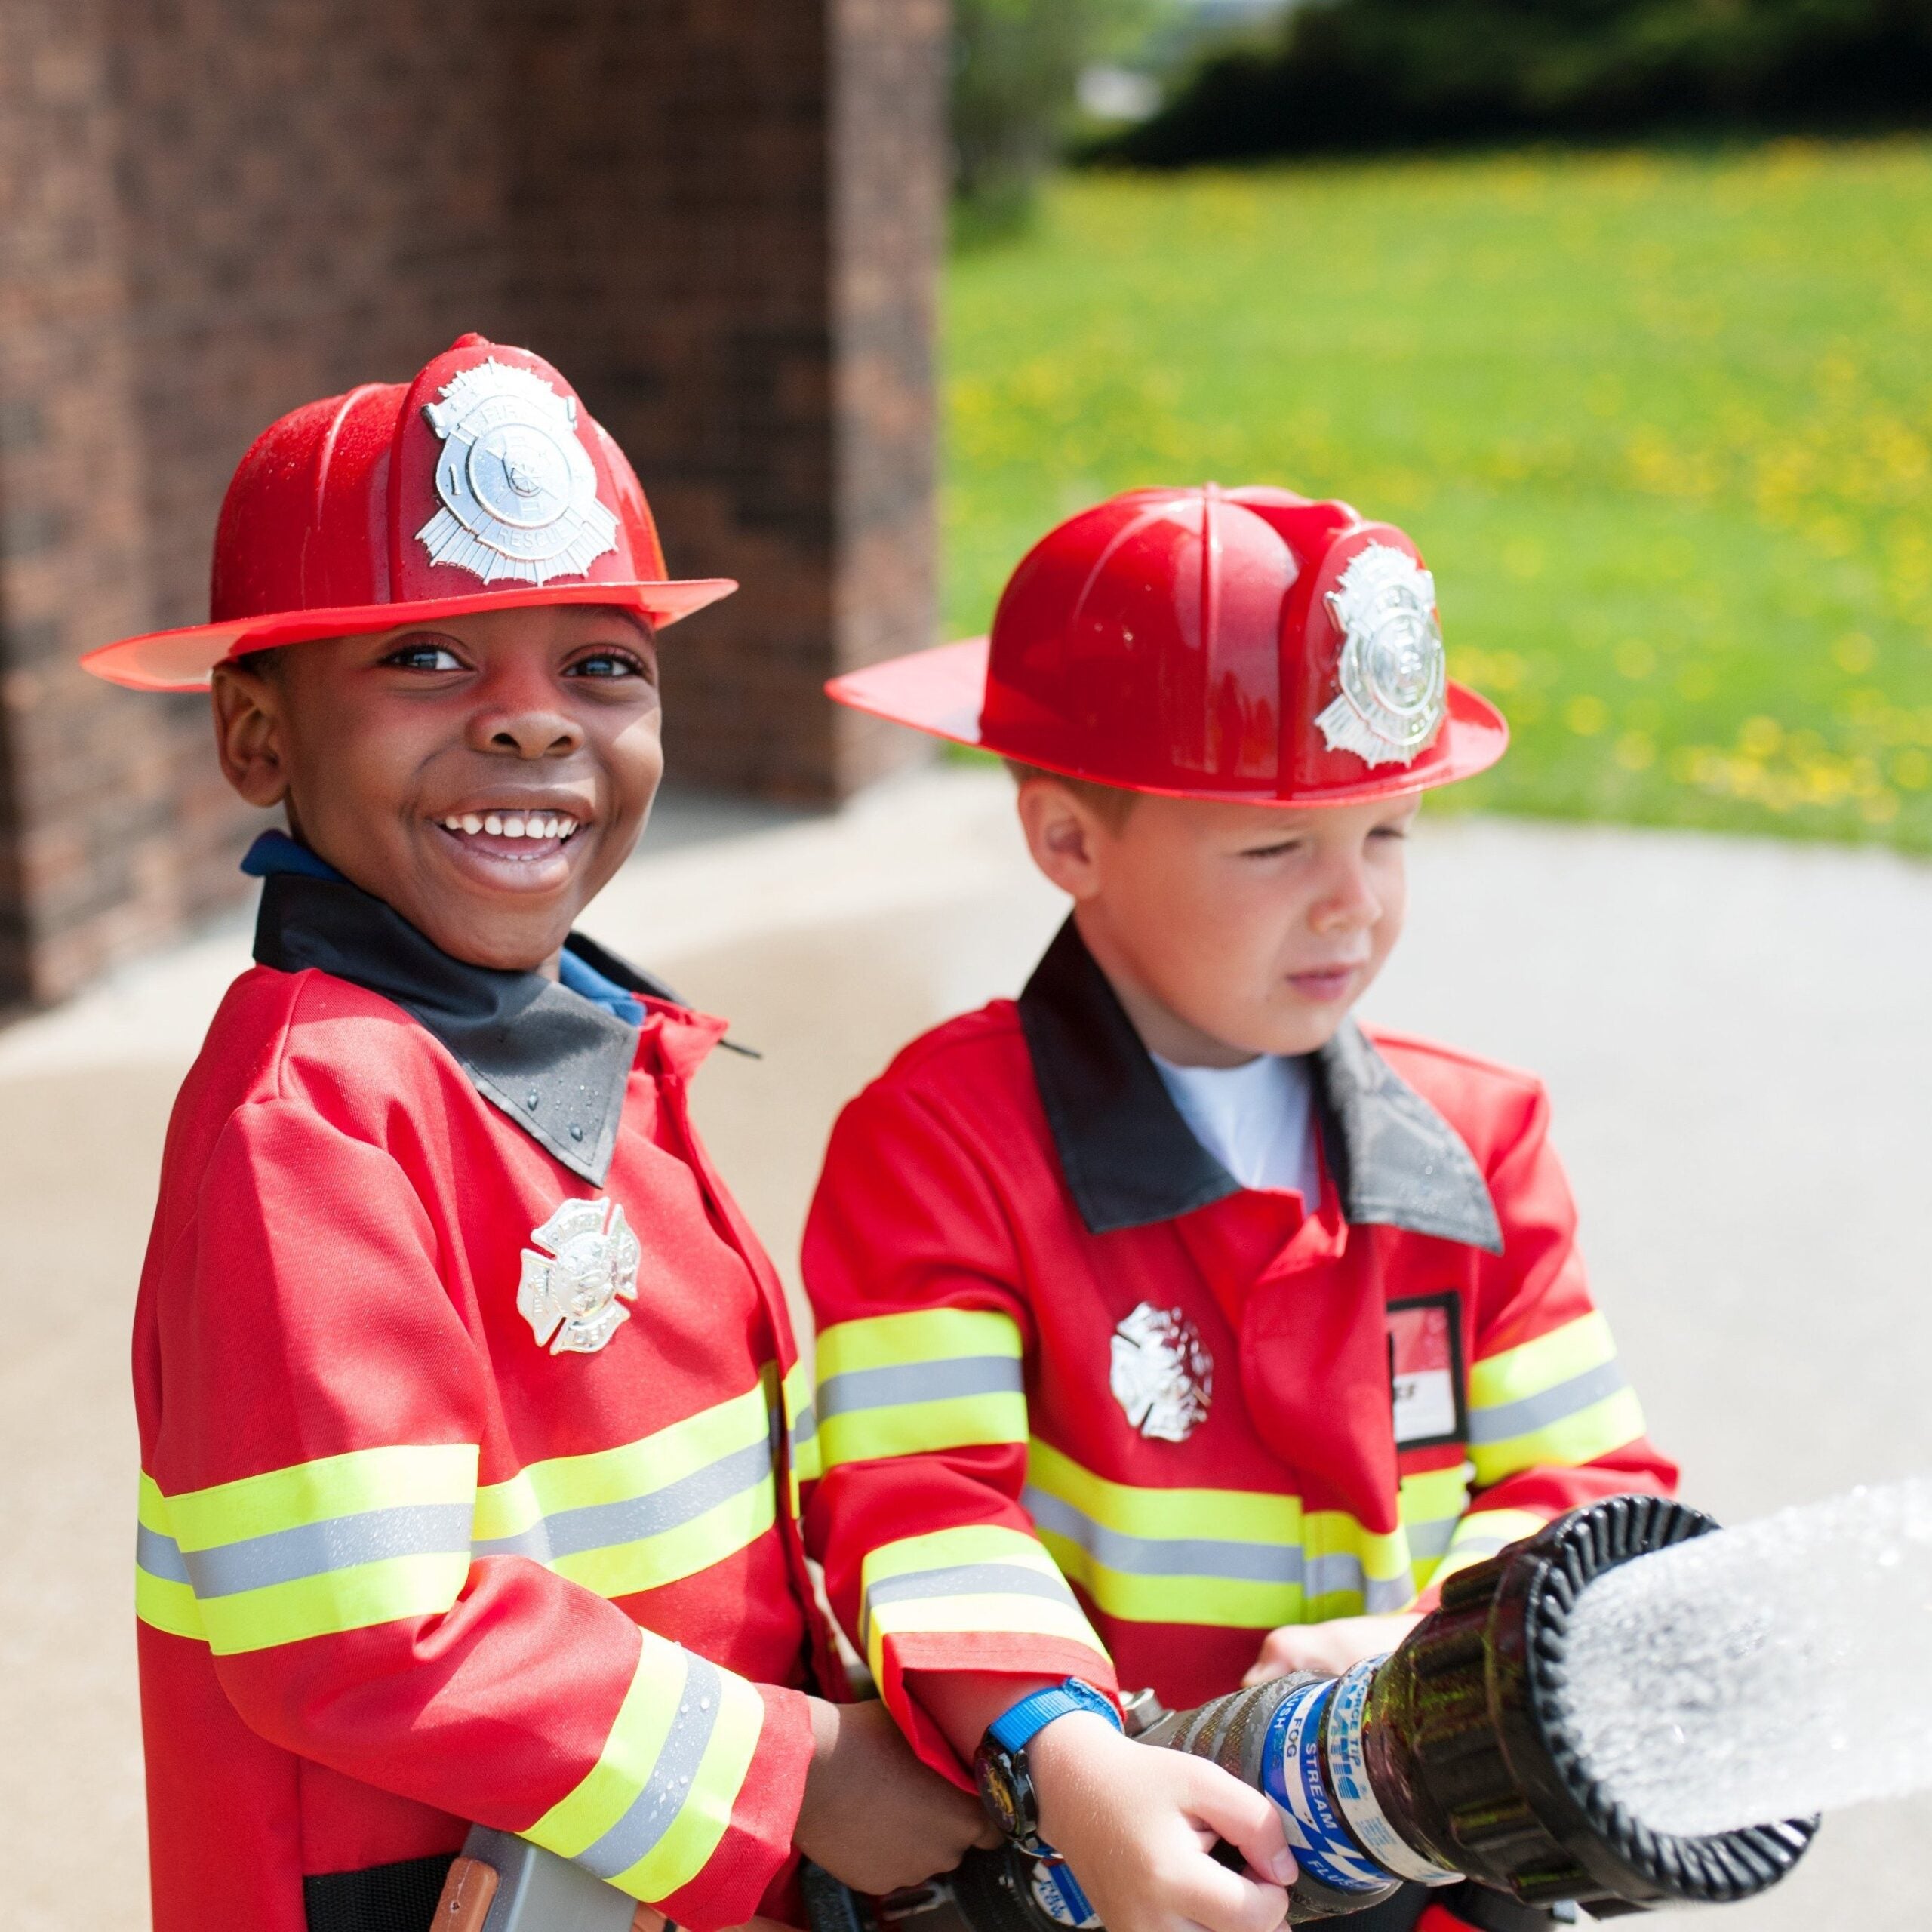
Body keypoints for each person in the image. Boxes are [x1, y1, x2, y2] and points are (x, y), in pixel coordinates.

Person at [86, 334, 992, 1932]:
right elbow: (361, 1634)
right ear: (255, 735)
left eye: (602, 665)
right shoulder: (313, 1119)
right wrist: (796, 1776)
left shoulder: (591, 1043)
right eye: (429, 657)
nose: (530, 723)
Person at [800, 486, 1678, 1932]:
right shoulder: (941, 1144)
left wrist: (1431, 1653)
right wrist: (1072, 1765)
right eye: (1277, 850)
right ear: (1068, 840)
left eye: (1388, 833)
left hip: (1429, 1856)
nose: (1352, 904)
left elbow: (1586, 1485)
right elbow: (923, 1504)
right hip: (1106, 1864)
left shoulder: (1481, 1142)